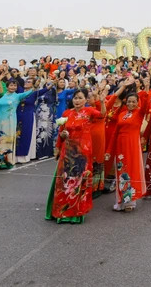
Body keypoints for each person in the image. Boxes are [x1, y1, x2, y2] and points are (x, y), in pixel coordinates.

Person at [45, 86, 107, 223]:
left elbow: (103, 115)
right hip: (67, 151)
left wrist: (102, 102)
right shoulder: (67, 113)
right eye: (75, 98)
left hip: (82, 153)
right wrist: (60, 140)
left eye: (80, 98)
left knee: (79, 182)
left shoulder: (89, 111)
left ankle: (76, 212)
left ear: (85, 99)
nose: (77, 101)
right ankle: (61, 212)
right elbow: (61, 131)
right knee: (65, 181)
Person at [110, 79, 150, 212]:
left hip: (132, 146)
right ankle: (120, 200)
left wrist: (146, 88)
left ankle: (130, 202)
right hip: (120, 147)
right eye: (129, 101)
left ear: (137, 102)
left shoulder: (139, 113)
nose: (131, 103)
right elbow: (115, 133)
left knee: (131, 171)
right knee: (121, 171)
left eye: (134, 101)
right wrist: (109, 150)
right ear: (125, 102)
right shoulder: (121, 114)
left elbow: (145, 106)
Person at [0, 79, 34, 169]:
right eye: (11, 85)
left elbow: (30, 92)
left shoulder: (17, 96)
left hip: (10, 122)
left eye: (15, 86)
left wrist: (35, 86)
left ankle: (6, 162)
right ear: (7, 86)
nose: (13, 87)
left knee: (6, 140)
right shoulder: (2, 95)